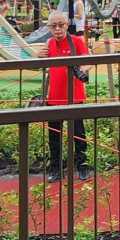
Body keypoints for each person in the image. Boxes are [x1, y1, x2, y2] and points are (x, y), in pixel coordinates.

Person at [42, 11, 90, 182]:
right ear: (49, 27)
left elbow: (87, 61)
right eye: (53, 25)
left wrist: (82, 70)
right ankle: (55, 169)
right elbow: (40, 63)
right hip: (53, 97)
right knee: (54, 137)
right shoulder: (49, 43)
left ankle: (82, 166)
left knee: (78, 134)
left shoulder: (76, 41)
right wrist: (38, 56)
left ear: (67, 25)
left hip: (74, 96)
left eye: (60, 25)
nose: (57, 29)